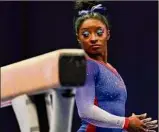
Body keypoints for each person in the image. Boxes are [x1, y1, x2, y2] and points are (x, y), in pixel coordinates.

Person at [73, 1, 158, 132]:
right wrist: (126, 122)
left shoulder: (111, 69)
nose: (93, 38)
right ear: (78, 38)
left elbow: (112, 113)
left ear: (108, 33)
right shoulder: (87, 66)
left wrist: (129, 125)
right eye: (85, 34)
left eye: (99, 32)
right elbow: (85, 110)